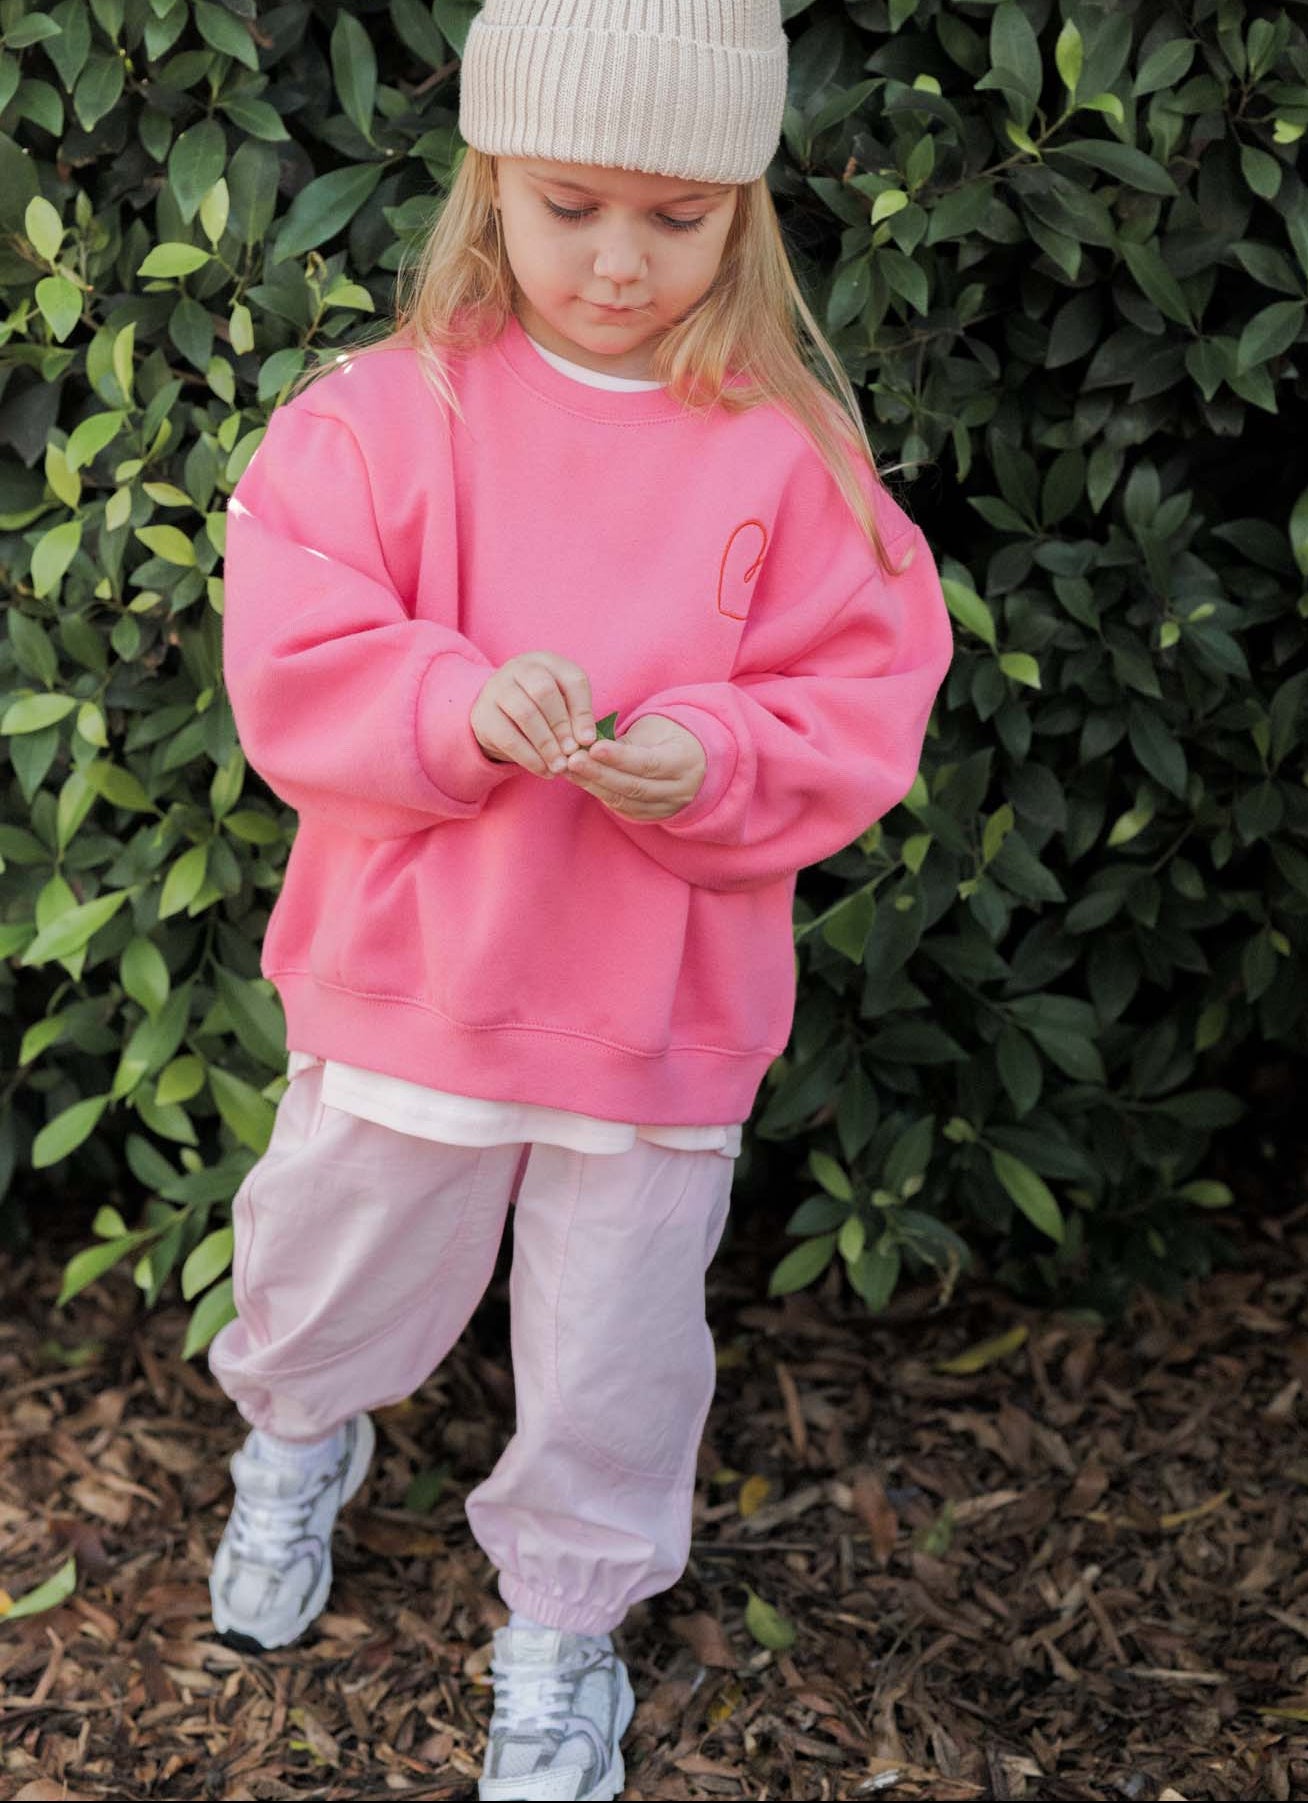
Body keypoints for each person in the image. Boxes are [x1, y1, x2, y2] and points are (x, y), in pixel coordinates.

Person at [206, 1, 953, 1796]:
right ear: (487, 183)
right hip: (411, 980)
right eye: (570, 205)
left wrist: (712, 754)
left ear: (742, 212)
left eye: (676, 217)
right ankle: (297, 1439)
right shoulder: (380, 419)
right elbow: (293, 651)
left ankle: (561, 1629)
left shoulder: (789, 456)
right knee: (325, 1263)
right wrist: (455, 706)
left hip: (656, 1015)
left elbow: (860, 687)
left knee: (615, 1354)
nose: (620, 260)